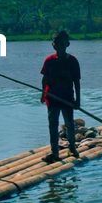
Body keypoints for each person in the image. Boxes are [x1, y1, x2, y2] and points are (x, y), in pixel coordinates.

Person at [40, 30, 81, 163]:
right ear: (53, 45)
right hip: (52, 98)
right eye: (57, 44)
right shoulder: (49, 61)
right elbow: (45, 79)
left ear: (67, 44)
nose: (60, 47)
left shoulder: (73, 61)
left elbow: (76, 82)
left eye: (62, 44)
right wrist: (43, 94)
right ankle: (55, 153)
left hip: (67, 98)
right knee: (53, 125)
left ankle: (72, 148)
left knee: (69, 124)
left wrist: (78, 100)